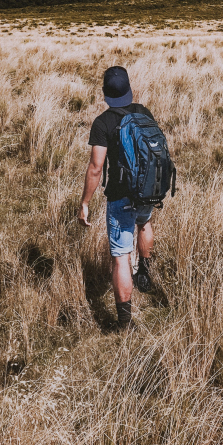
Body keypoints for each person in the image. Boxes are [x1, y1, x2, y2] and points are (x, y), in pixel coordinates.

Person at [77, 65, 155, 329]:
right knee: (144, 224)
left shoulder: (102, 123)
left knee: (121, 256)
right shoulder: (143, 112)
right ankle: (144, 273)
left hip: (120, 195)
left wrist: (85, 203)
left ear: (105, 94)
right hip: (147, 190)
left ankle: (124, 323)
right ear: (129, 90)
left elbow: (96, 168)